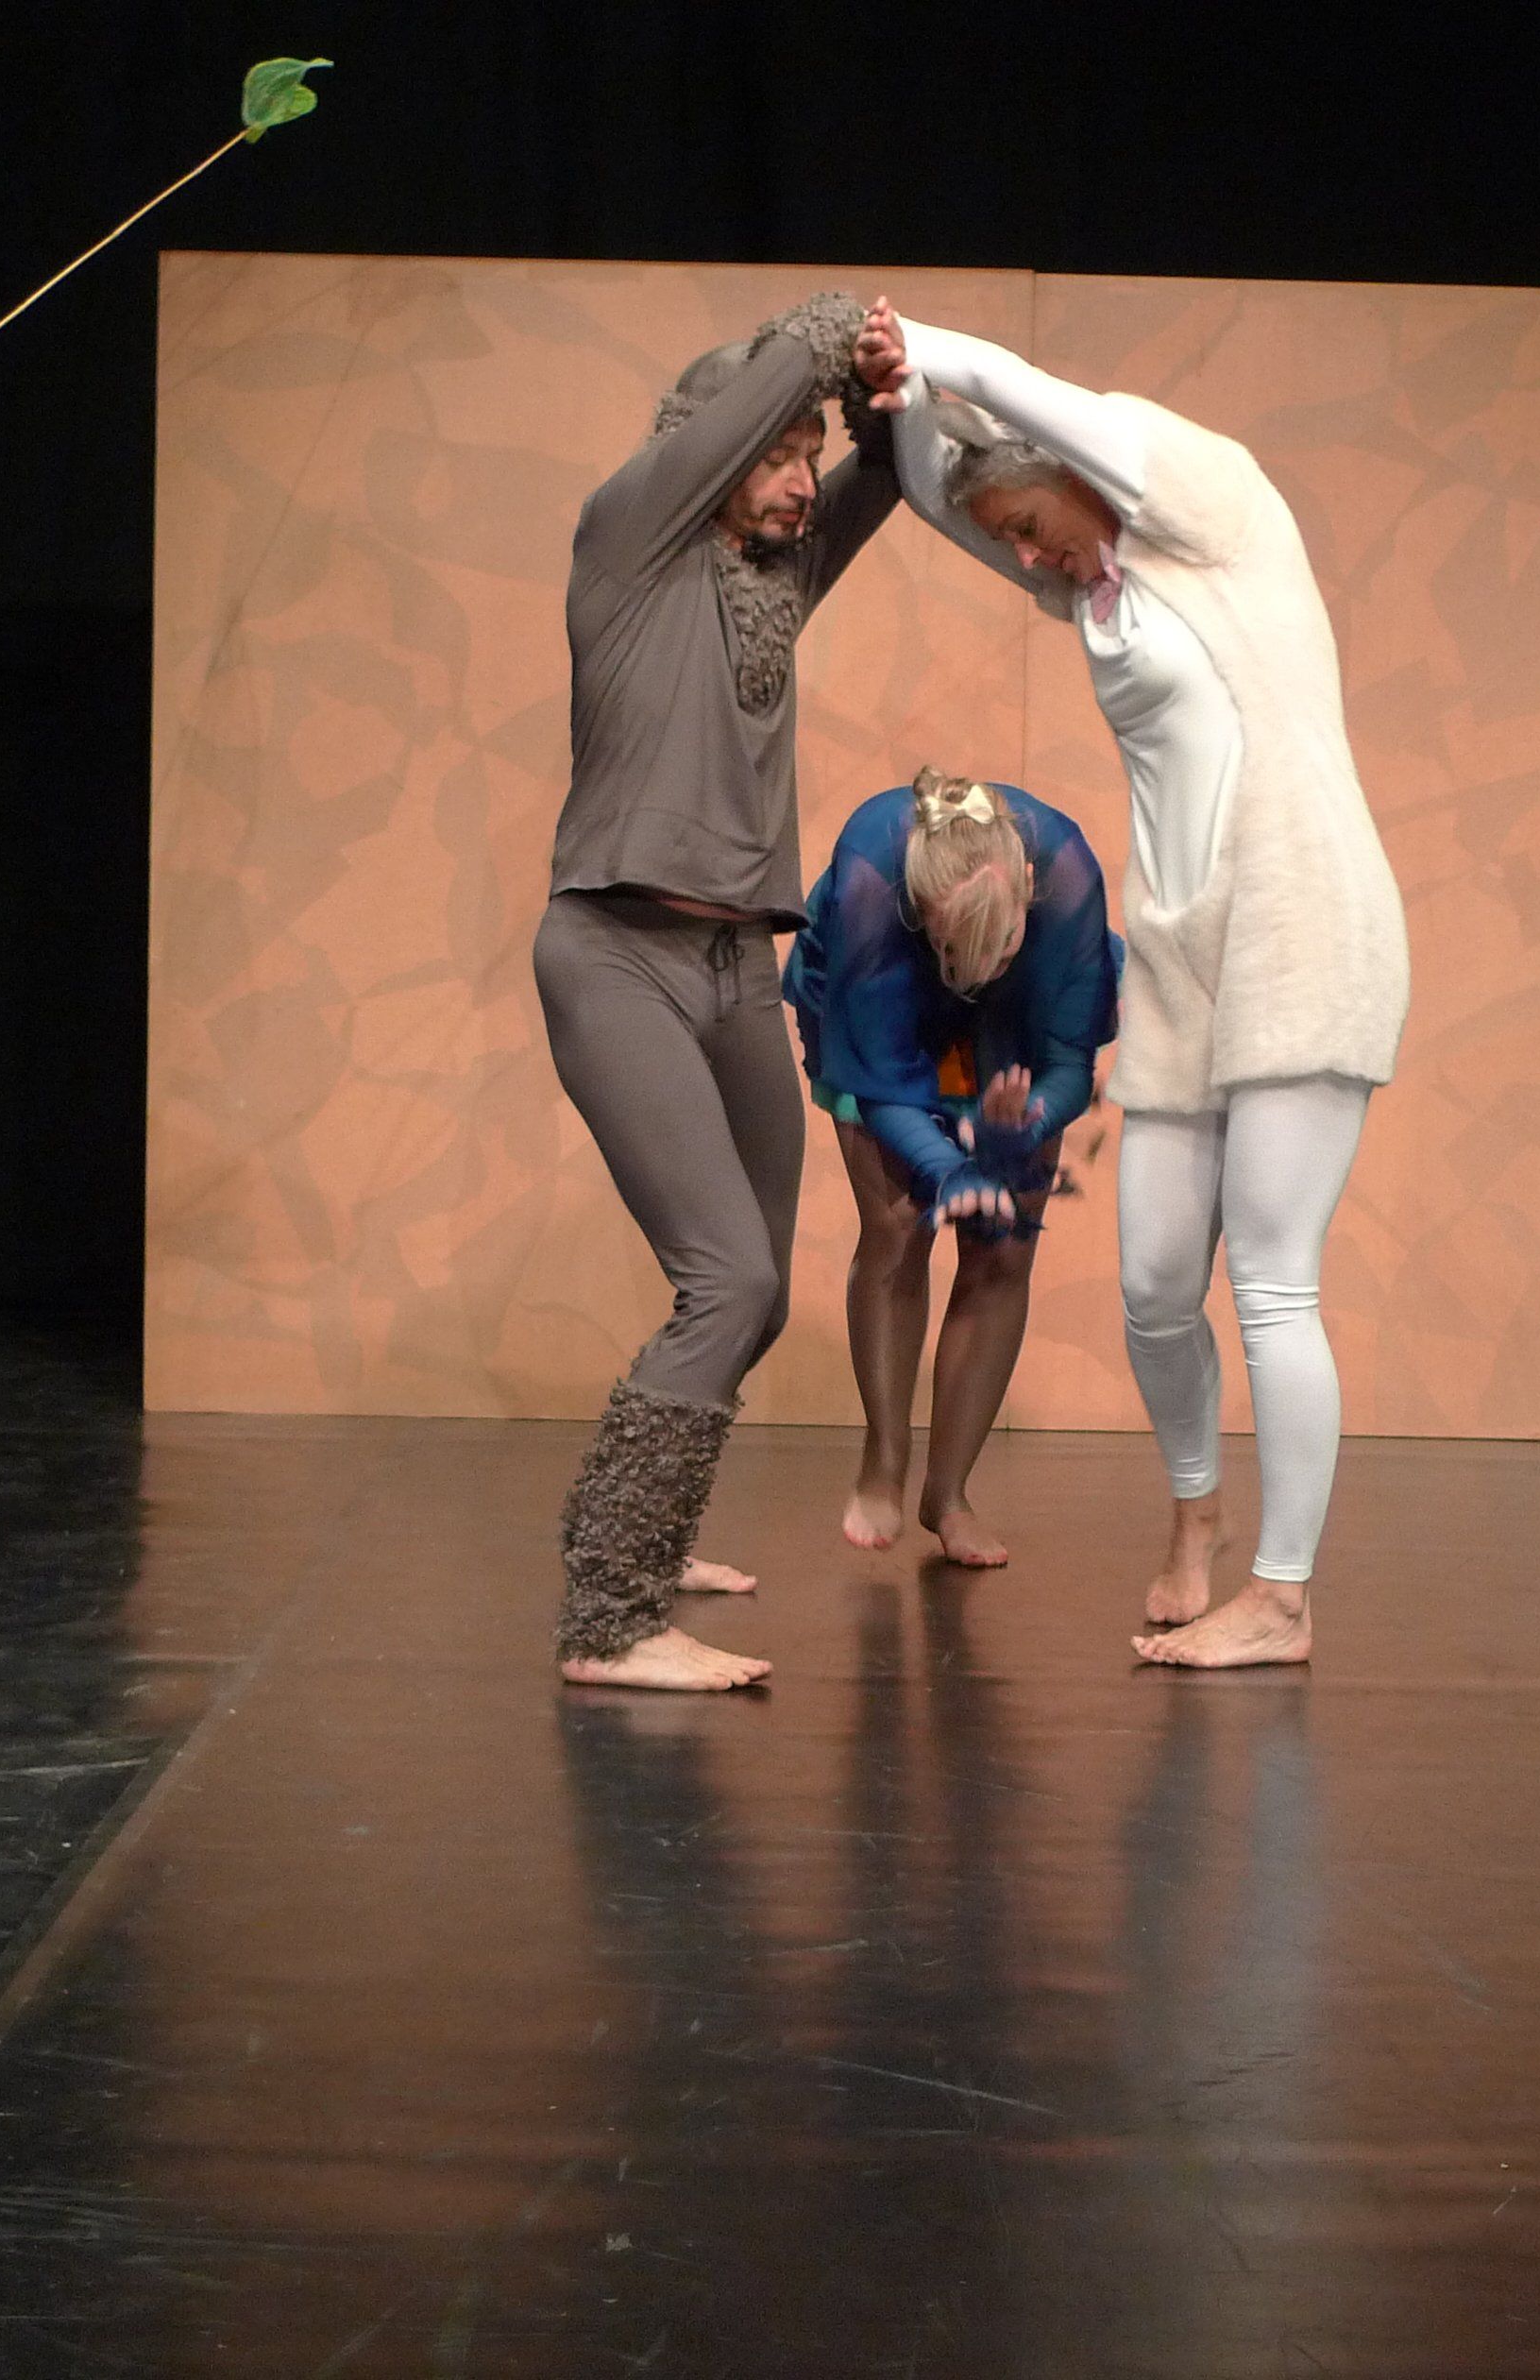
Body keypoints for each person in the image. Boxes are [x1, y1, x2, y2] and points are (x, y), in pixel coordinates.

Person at [859, 300, 1411, 1670]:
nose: (1026, 557)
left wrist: (912, 339)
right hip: (1180, 961)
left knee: (1270, 1280)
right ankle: (1195, 1519)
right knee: (1156, 1286)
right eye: (1012, 546)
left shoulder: (1214, 513)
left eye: (1029, 525)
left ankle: (1281, 1598)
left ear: (1073, 474)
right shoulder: (1096, 587)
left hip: (1298, 926)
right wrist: (903, 401)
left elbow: (1023, 392)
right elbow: (936, 490)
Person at [542, 293, 902, 1692]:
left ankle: (637, 1521)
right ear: (706, 443)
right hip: (618, 953)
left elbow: (885, 470)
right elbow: (763, 388)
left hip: (739, 967)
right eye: (778, 453)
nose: (802, 479)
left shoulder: (772, 584)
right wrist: (838, 327)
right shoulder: (628, 537)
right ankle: (610, 1617)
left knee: (758, 1296)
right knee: (726, 1278)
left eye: (807, 454)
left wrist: (882, 396)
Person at [786, 768, 1120, 1567]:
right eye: (953, 948)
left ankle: (949, 1492)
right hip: (886, 998)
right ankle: (885, 1459)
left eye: (995, 949)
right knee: (898, 1226)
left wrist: (1023, 1126)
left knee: (1004, 1246)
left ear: (1029, 885)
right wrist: (951, 1168)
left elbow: (1066, 1063)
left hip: (1018, 1022)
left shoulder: (1068, 876)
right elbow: (881, 1081)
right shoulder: (873, 878)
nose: (976, 972)